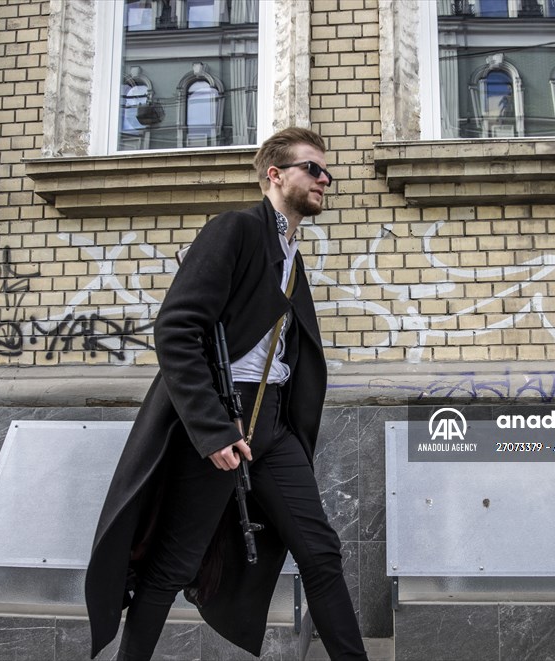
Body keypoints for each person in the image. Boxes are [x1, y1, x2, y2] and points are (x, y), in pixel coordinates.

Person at [85, 127, 368, 661]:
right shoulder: (235, 229)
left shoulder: (290, 255)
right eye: (313, 168)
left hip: (273, 425)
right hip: (224, 417)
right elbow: (176, 329)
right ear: (275, 175)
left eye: (327, 172)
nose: (324, 179)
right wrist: (212, 427)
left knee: (320, 553)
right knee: (172, 565)